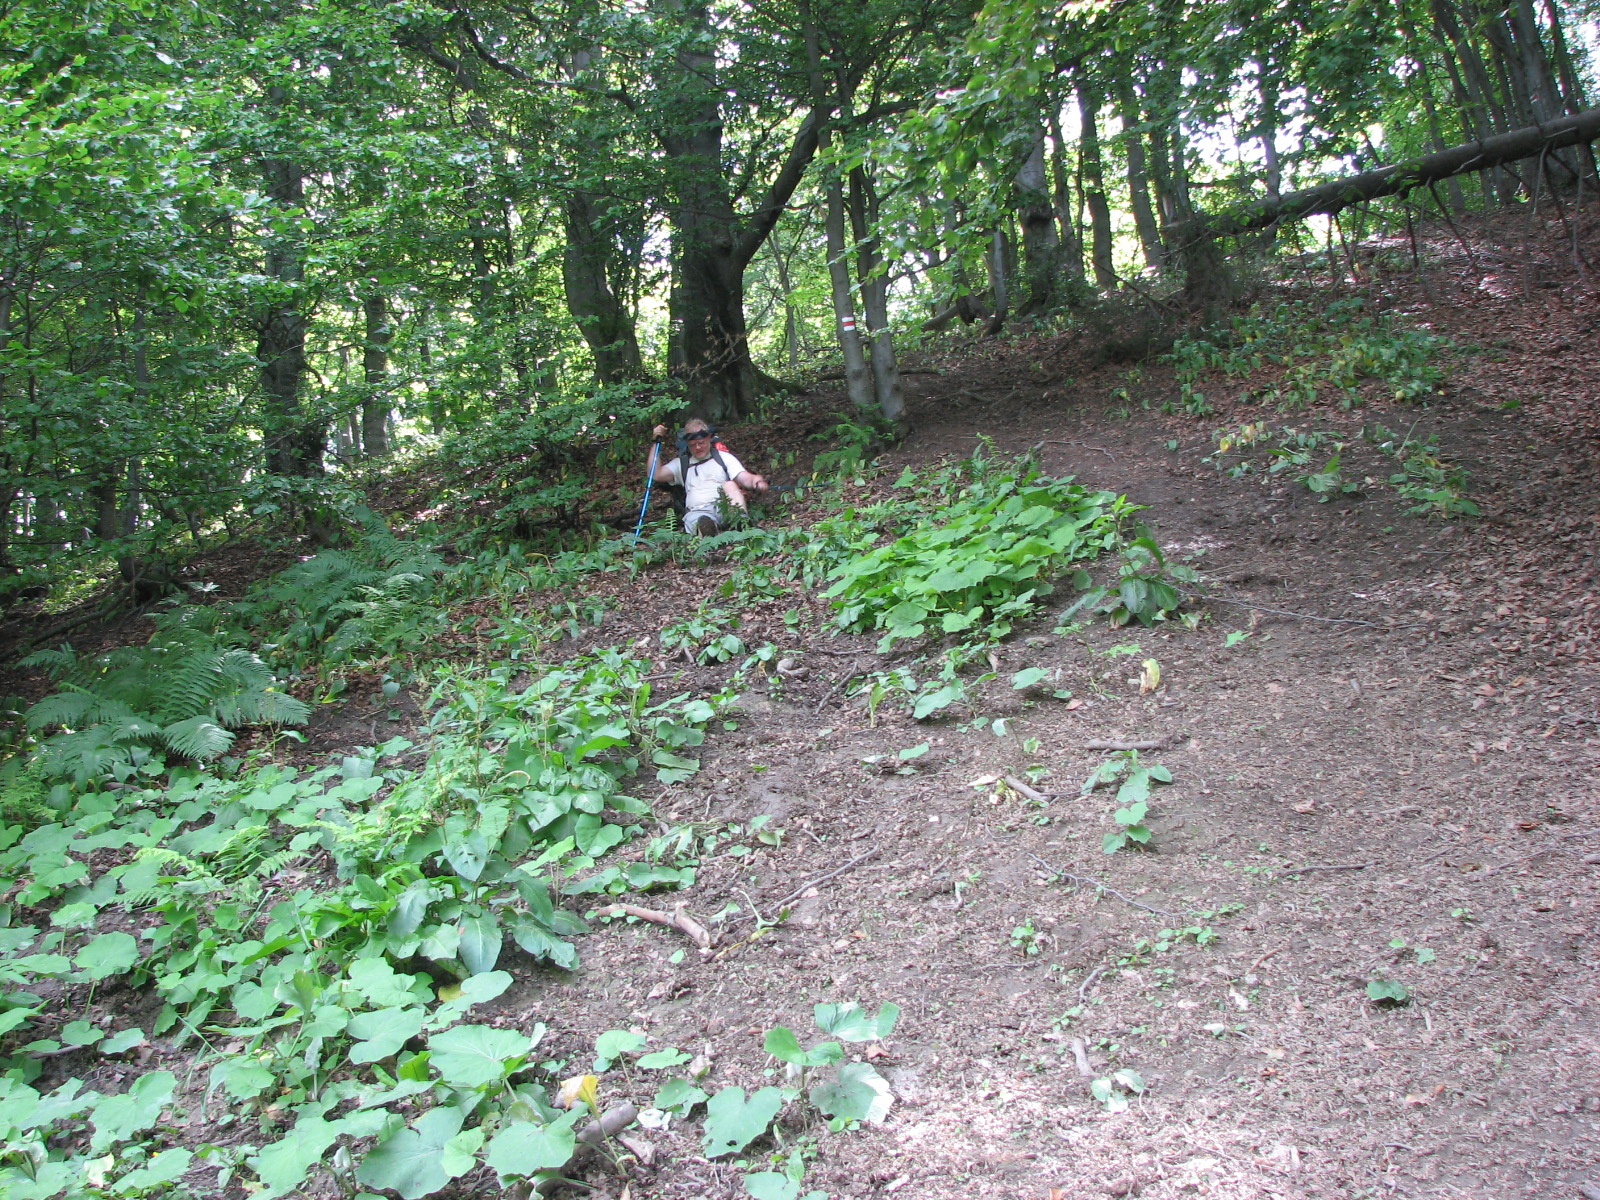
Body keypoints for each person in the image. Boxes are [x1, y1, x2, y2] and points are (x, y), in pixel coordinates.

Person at [650, 418, 769, 535]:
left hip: (724, 508)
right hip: (698, 511)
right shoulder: (681, 464)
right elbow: (655, 474)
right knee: (701, 521)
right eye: (693, 445)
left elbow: (744, 477)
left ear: (709, 438)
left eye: (701, 443)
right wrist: (656, 442)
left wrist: (755, 481)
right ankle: (707, 530)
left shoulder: (723, 457)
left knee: (730, 485)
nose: (697, 447)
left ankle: (740, 521)